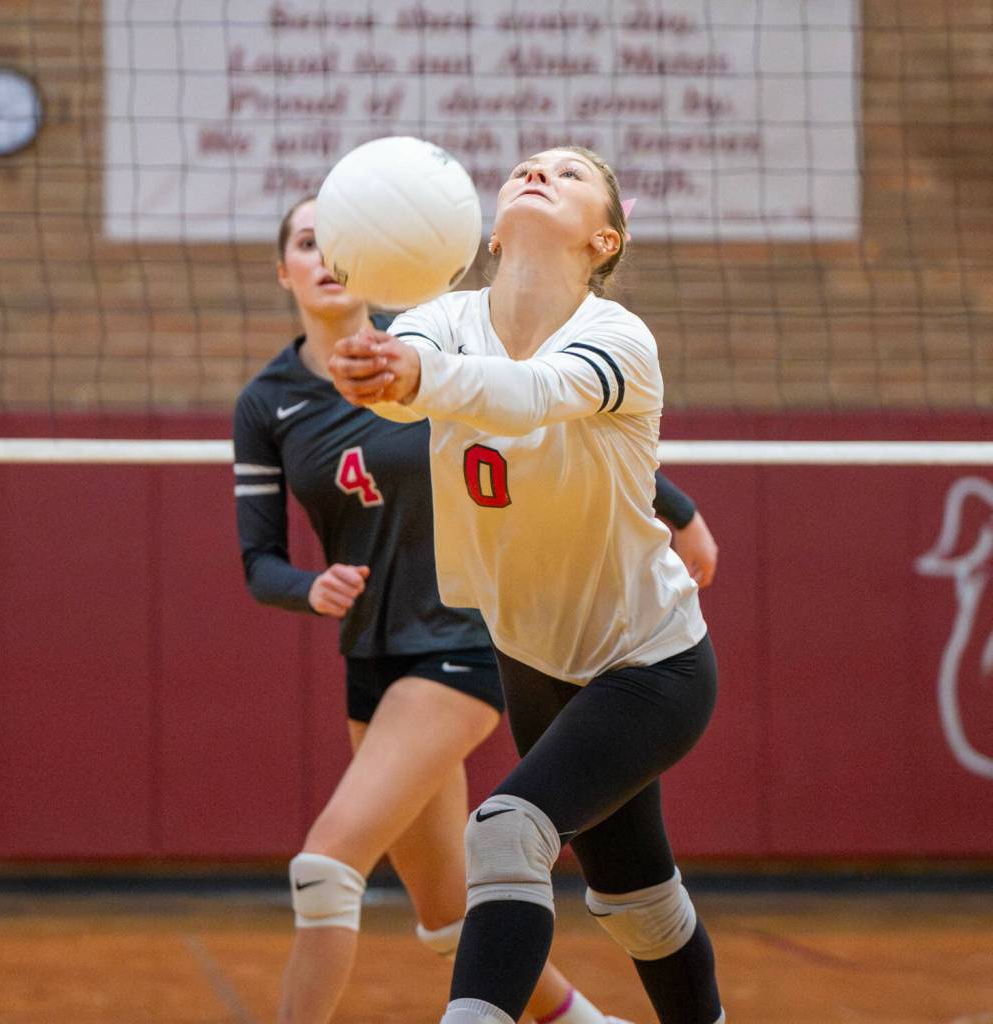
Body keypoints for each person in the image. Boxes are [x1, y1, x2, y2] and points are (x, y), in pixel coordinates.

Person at [232, 195, 718, 1024]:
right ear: (282, 270)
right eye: (304, 243)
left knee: (359, 858)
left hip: (488, 646)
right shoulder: (293, 391)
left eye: (334, 240)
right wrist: (306, 585)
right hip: (427, 650)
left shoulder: (541, 336)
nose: (322, 258)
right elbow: (260, 556)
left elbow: (539, 406)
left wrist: (678, 508)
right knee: (480, 916)